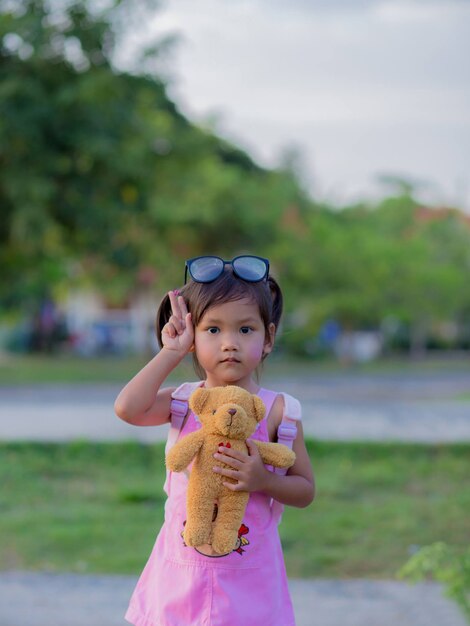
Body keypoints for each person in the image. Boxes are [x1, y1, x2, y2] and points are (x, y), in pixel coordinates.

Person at [115, 254, 315, 626]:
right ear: (192, 337)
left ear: (268, 338)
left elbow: (305, 489)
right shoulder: (183, 402)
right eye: (213, 330)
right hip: (178, 584)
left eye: (245, 330)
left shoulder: (278, 412)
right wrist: (170, 353)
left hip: (251, 589)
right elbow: (128, 408)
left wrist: (265, 481)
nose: (229, 344)